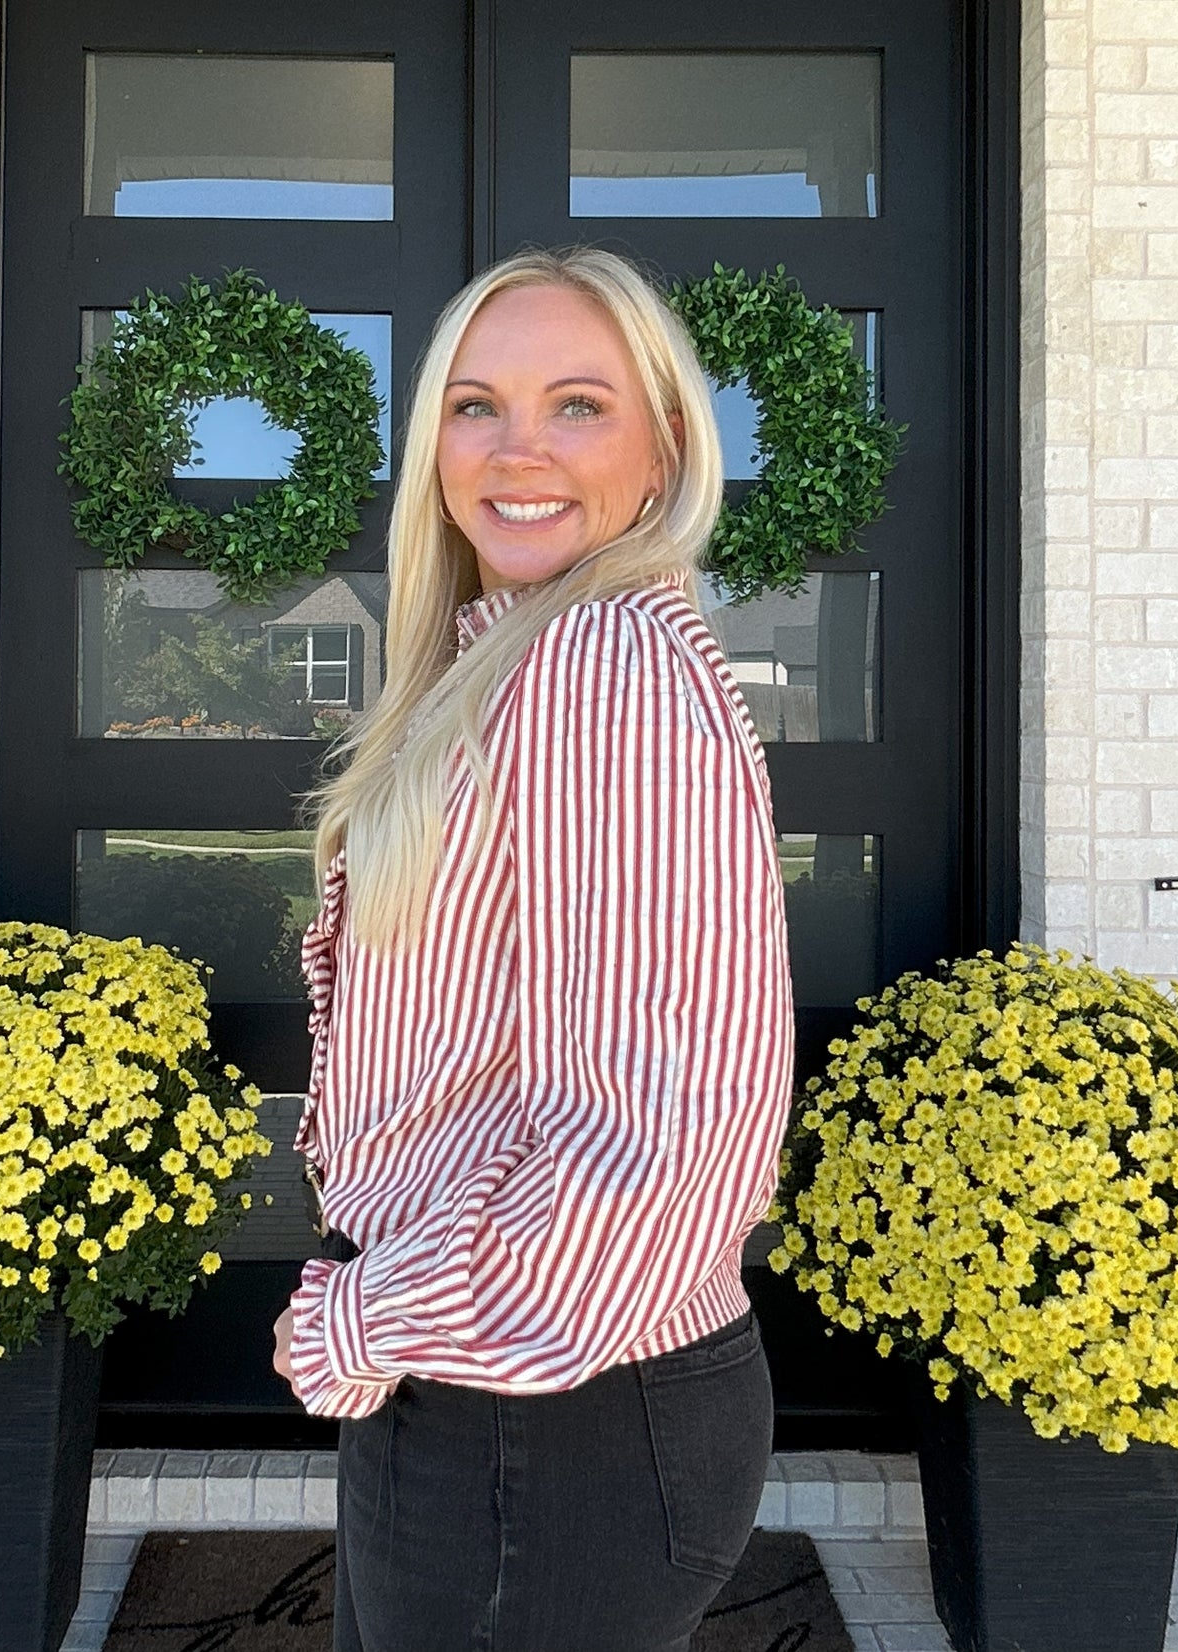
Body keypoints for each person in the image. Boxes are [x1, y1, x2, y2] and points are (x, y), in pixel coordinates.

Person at [271, 244, 795, 1652]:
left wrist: (359, 1324)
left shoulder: (595, 668)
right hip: (517, 1400)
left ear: (664, 444)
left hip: (536, 1408)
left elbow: (647, 1140)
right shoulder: (513, 654)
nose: (516, 451)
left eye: (577, 404)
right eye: (472, 405)